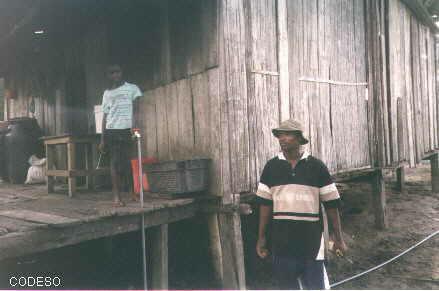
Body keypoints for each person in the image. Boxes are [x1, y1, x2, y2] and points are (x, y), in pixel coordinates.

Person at [255, 118, 347, 290]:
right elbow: (264, 206)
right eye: (280, 135)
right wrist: (261, 238)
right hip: (282, 244)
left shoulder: (317, 167)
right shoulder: (271, 167)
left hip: (311, 245)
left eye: (288, 134)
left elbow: (331, 205)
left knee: (315, 287)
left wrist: (338, 238)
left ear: (299, 138)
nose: (282, 138)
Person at [99, 64, 142, 206]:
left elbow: (136, 111)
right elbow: (105, 117)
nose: (115, 75)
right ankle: (116, 197)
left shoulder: (132, 89)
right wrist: (102, 138)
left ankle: (132, 193)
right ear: (108, 76)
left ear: (121, 73)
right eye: (111, 73)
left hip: (128, 130)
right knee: (115, 162)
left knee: (129, 161)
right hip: (112, 130)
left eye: (117, 72)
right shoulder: (107, 93)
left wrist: (136, 130)